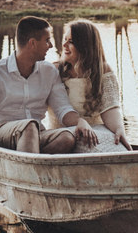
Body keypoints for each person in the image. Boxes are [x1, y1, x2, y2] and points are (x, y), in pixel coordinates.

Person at [0, 16, 99, 159]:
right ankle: (29, 171)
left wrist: (80, 122)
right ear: (32, 43)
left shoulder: (49, 72)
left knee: (67, 137)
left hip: (36, 134)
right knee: (29, 126)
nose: (51, 45)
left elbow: (63, 109)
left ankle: (28, 165)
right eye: (47, 40)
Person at [50, 19, 131, 153]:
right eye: (65, 39)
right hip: (64, 135)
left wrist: (119, 130)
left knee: (120, 151)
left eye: (71, 42)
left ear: (85, 46)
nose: (64, 45)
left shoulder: (103, 70)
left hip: (96, 131)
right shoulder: (54, 70)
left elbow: (110, 107)